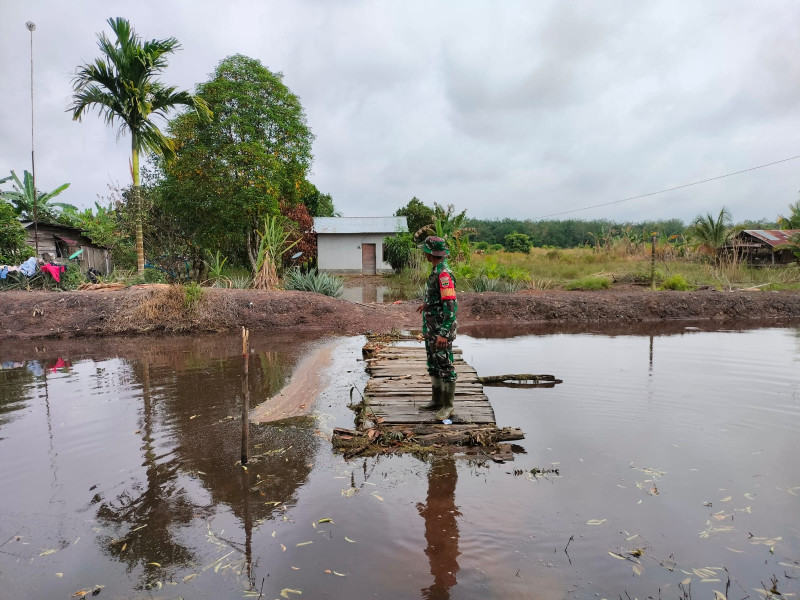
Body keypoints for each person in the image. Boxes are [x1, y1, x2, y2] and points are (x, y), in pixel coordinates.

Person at [416, 236, 458, 420]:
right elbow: (439, 299)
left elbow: (450, 306)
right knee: (433, 364)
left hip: (440, 330)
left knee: (445, 366)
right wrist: (427, 304)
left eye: (426, 250)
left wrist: (444, 334)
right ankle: (436, 400)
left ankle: (448, 406)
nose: (424, 253)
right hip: (431, 328)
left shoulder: (444, 275)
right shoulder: (436, 271)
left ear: (431, 253)